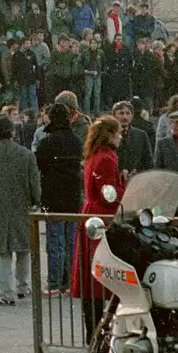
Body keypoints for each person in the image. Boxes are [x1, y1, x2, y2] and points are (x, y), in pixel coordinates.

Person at [0, 113, 41, 306]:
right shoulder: (26, 154)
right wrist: (35, 201)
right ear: (12, 132)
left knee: (3, 252)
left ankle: (6, 292)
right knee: (23, 248)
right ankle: (22, 286)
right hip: (21, 206)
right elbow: (34, 185)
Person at [73, 116, 123, 336]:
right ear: (111, 134)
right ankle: (98, 330)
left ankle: (92, 329)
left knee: (90, 272)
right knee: (101, 272)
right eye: (118, 133)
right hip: (102, 215)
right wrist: (125, 189)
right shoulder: (107, 158)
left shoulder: (94, 155)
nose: (121, 137)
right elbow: (108, 194)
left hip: (91, 212)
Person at [35, 102, 84, 292]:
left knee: (55, 242)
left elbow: (39, 166)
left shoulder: (47, 142)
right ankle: (70, 281)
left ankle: (54, 283)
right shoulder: (77, 141)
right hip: (73, 198)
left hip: (51, 199)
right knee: (71, 241)